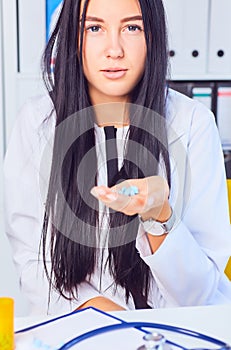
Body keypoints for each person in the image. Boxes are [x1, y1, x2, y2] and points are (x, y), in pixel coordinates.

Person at [4, 0, 231, 316]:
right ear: (73, 37)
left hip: (174, 331)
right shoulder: (36, 121)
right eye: (94, 28)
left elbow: (199, 296)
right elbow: (32, 262)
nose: (114, 50)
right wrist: (95, 309)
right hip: (76, 326)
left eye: (132, 27)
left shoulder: (193, 123)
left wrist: (159, 216)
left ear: (153, 36)